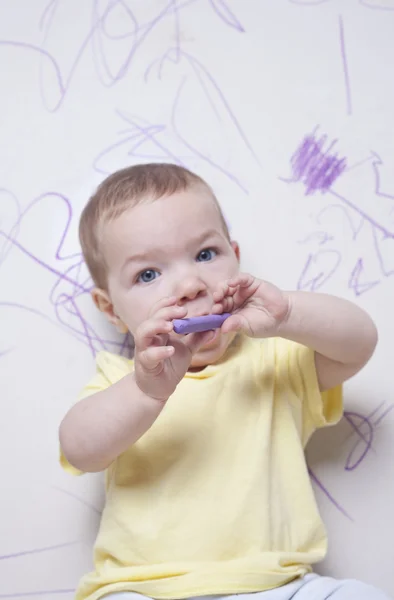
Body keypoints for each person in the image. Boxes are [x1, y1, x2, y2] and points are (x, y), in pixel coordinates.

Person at [59, 163, 390, 600]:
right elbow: (79, 450)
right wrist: (145, 390)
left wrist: (288, 314)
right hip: (145, 589)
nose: (190, 284)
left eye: (205, 254)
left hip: (278, 585)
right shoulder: (122, 379)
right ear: (111, 309)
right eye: (148, 275)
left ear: (235, 256)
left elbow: (360, 342)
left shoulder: (275, 363)